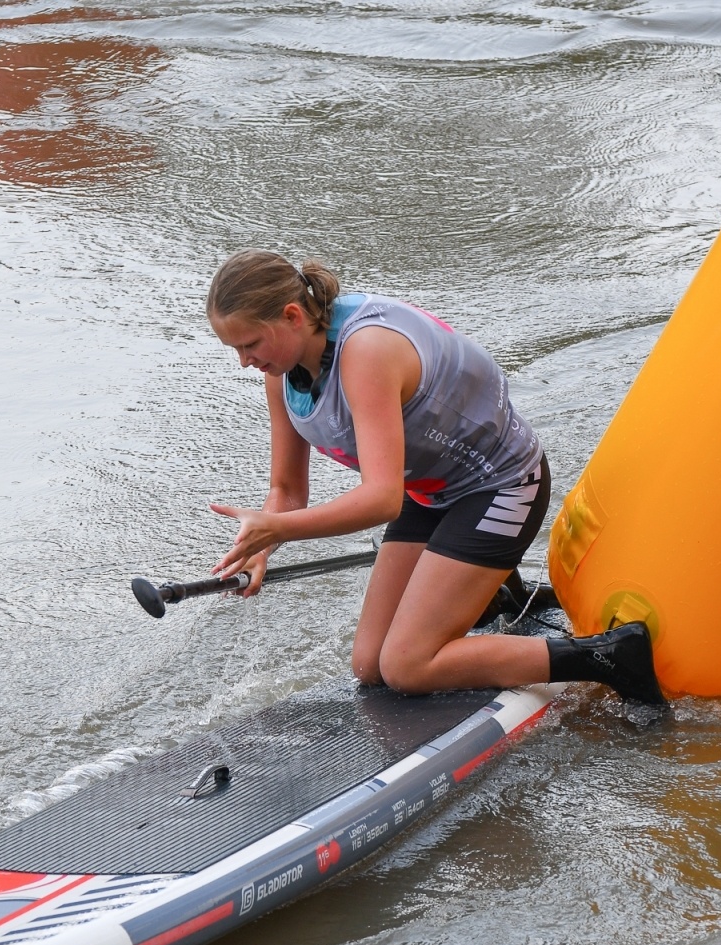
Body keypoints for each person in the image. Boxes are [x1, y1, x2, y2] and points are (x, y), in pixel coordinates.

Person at [205, 250, 663, 704]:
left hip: (501, 486)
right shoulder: (281, 369)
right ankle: (492, 596)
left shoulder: (366, 352)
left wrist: (280, 528)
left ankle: (610, 657)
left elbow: (382, 499)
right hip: (429, 492)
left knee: (406, 667)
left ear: (291, 316)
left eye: (249, 345)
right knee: (370, 666)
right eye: (235, 349)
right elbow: (286, 490)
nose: (244, 361)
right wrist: (258, 549)